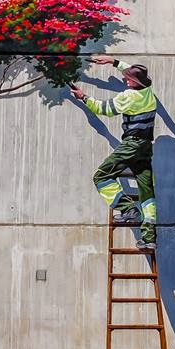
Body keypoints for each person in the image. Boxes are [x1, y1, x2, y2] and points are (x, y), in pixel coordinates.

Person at [70, 55, 158, 250]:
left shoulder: (129, 97)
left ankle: (127, 209)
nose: (125, 80)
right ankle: (149, 237)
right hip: (145, 147)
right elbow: (132, 71)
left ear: (135, 83)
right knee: (147, 191)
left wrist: (83, 97)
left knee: (101, 177)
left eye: (128, 79)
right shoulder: (148, 92)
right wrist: (113, 61)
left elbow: (104, 109)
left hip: (132, 145)